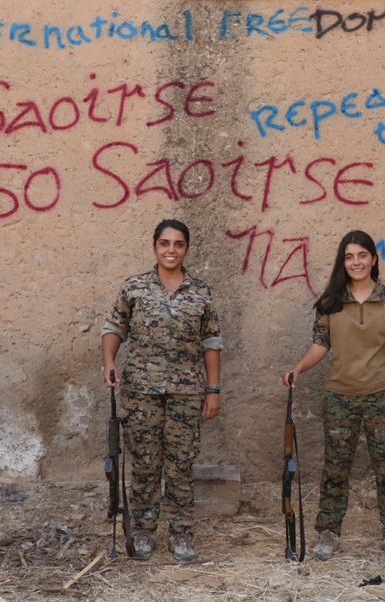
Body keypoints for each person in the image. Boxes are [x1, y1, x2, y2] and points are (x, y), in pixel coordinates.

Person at [281, 230, 385, 560]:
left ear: (374, 259)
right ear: (343, 262)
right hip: (340, 397)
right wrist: (298, 368)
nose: (356, 262)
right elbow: (320, 345)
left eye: (362, 255)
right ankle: (329, 533)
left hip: (382, 395)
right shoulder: (331, 303)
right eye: (349, 256)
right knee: (336, 467)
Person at [101, 219, 222, 563]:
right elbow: (113, 327)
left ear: (186, 248)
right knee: (144, 463)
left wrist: (213, 390)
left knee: (181, 463)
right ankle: (142, 530)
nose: (171, 250)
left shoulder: (200, 292)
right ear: (155, 246)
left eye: (178, 244)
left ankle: (181, 534)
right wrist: (109, 360)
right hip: (141, 391)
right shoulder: (134, 288)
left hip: (186, 392)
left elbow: (212, 341)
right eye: (165, 243)